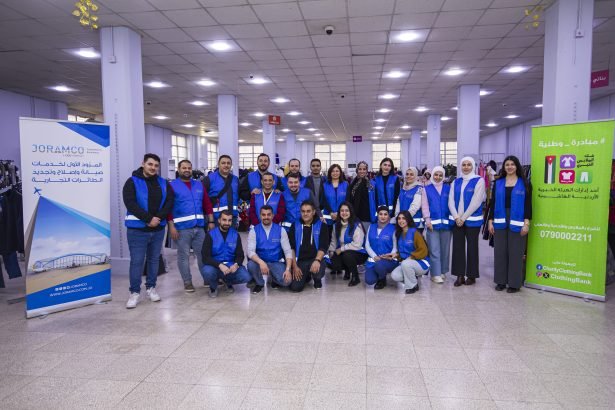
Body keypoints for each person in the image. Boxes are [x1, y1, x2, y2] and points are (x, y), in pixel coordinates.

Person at [123, 153, 175, 309]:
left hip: (158, 229)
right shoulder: (132, 182)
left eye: (156, 165)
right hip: (137, 230)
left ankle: (151, 288)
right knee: (137, 261)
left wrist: (158, 218)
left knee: (153, 260)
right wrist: (148, 219)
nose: (153, 168)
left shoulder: (163, 183)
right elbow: (130, 203)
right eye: (150, 164)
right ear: (143, 164)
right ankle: (134, 292)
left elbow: (169, 202)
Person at [167, 159, 214, 292]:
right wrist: (171, 226)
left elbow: (207, 204)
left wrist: (211, 221)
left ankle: (207, 278)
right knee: (184, 256)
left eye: (189, 168)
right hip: (181, 229)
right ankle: (187, 282)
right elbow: (168, 208)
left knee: (203, 255)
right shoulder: (172, 186)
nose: (187, 170)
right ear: (179, 169)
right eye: (184, 168)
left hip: (199, 227)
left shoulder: (198, 185)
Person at [488, 155, 532, 293]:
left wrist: (526, 223)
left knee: (516, 253)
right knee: (500, 252)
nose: (510, 167)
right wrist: (490, 222)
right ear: (504, 167)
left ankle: (514, 283)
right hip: (500, 220)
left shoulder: (525, 183)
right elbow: (493, 203)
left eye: (512, 164)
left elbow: (528, 205)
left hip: (518, 221)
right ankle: (501, 281)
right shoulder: (498, 183)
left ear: (517, 166)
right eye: (507, 164)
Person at [449, 156, 486, 287]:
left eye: (468, 164)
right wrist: (456, 217)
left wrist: (463, 218)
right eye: (463, 165)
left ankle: (471, 275)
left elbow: (476, 201)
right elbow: (450, 200)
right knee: (458, 248)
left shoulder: (479, 180)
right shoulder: (456, 181)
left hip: (472, 220)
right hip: (457, 220)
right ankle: (459, 275)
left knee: (472, 248)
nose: (466, 167)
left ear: (473, 166)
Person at [201, 210, 251, 297]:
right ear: (219, 220)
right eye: (224, 220)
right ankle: (213, 286)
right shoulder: (210, 235)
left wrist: (236, 265)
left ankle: (228, 282)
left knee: (246, 276)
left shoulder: (235, 235)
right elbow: (205, 257)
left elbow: (240, 255)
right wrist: (219, 265)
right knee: (207, 272)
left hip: (230, 266)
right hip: (214, 266)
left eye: (229, 220)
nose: (227, 223)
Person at [247, 205, 293, 293]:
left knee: (287, 282)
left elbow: (287, 251)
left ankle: (274, 279)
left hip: (276, 262)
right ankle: (259, 283)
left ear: (272, 215)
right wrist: (261, 262)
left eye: (268, 214)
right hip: (260, 262)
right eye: (263, 215)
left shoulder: (281, 230)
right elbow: (250, 251)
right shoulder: (254, 231)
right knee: (250, 265)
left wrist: (288, 270)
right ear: (260, 216)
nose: (266, 217)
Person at [288, 201, 329, 292]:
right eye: (303, 211)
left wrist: (317, 260)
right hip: (300, 261)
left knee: (318, 272)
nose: (305, 214)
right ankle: (306, 276)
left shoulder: (322, 225)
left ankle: (317, 279)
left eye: (308, 211)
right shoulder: (294, 225)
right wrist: (295, 266)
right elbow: (291, 248)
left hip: (315, 259)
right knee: (295, 288)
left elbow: (323, 247)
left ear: (313, 212)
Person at [421, 166, 452, 284]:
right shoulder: (426, 189)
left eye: (440, 175)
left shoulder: (448, 188)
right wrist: (427, 220)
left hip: (446, 224)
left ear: (443, 176)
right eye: (436, 174)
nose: (438, 177)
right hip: (432, 225)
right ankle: (435, 274)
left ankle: (443, 271)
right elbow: (425, 206)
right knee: (434, 250)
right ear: (432, 175)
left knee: (445, 249)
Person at [327, 202, 367, 286]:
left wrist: (341, 249)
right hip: (343, 252)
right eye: (342, 211)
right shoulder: (336, 225)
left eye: (346, 210)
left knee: (347, 255)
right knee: (333, 262)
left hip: (359, 253)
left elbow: (357, 245)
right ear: (339, 212)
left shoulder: (357, 225)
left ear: (350, 212)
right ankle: (347, 270)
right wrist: (331, 252)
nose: (344, 213)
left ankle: (355, 277)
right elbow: (334, 241)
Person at [391, 211, 430, 294]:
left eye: (403, 218)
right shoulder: (399, 234)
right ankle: (413, 280)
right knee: (395, 275)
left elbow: (424, 250)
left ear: (408, 219)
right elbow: (403, 252)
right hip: (407, 264)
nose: (401, 220)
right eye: (399, 218)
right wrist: (396, 255)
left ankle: (412, 286)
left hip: (421, 263)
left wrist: (412, 257)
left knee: (405, 263)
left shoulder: (415, 232)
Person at [365, 206, 399, 289]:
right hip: (374, 259)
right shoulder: (371, 226)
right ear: (377, 215)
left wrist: (389, 255)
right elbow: (367, 244)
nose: (383, 216)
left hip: (388, 260)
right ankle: (379, 272)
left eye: (385, 214)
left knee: (380, 266)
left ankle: (382, 279)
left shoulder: (393, 228)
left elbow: (395, 247)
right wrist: (374, 256)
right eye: (380, 214)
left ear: (388, 216)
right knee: (369, 280)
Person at [203, 155, 239, 226]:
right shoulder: (209, 179)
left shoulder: (235, 179)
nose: (226, 165)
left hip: (232, 219)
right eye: (223, 163)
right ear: (218, 164)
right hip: (216, 219)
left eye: (228, 163)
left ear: (231, 165)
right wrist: (210, 221)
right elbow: (203, 199)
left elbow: (238, 196)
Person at [346, 161, 376, 231]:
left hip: (368, 217)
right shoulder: (352, 184)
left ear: (367, 170)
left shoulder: (372, 184)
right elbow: (349, 200)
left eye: (364, 169)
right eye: (360, 169)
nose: (362, 171)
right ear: (357, 170)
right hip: (355, 217)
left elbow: (375, 200)